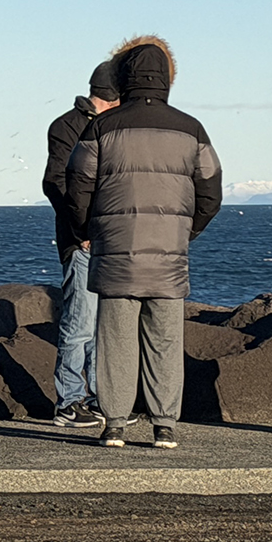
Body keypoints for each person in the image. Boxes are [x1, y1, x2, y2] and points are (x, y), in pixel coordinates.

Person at [65, 35, 222, 450]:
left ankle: (114, 423)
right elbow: (211, 192)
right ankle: (164, 424)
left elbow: (77, 185)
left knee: (115, 337)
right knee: (165, 340)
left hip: (115, 250)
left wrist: (90, 229)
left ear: (128, 79)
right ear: (166, 80)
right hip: (169, 254)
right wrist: (187, 231)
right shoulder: (192, 129)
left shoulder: (101, 126)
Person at [40, 60, 120, 427]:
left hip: (104, 236)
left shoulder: (68, 125)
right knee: (79, 323)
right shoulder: (67, 127)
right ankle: (69, 401)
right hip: (82, 241)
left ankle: (98, 398)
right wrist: (81, 228)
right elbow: (55, 182)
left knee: (98, 325)